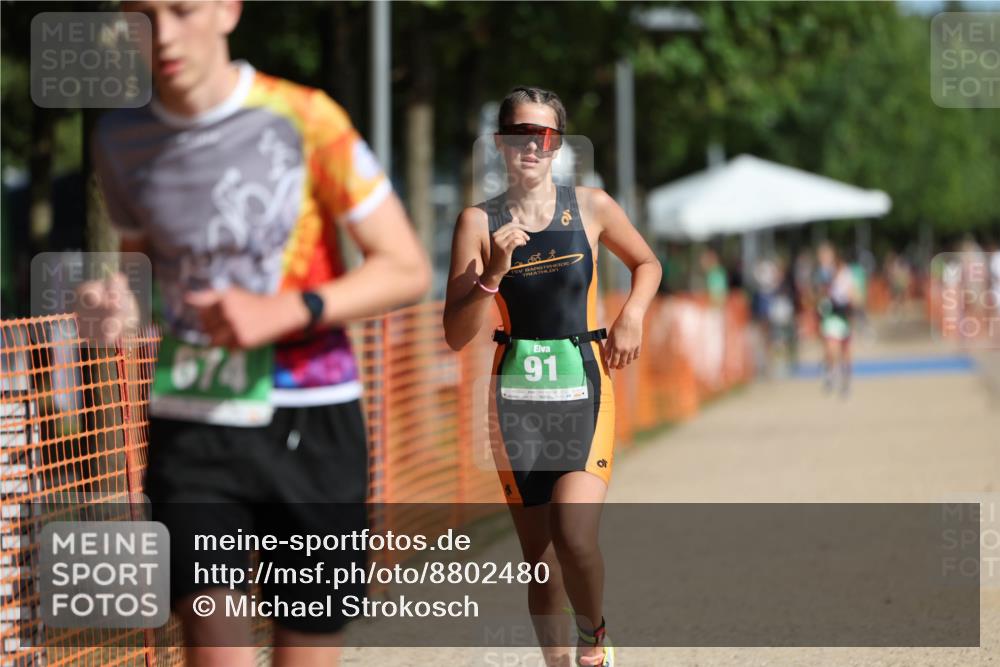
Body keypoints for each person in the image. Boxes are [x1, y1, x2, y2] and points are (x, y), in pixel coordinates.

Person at [84, 2, 431, 666]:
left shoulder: (306, 118)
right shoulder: (120, 137)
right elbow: (139, 268)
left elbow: (406, 266)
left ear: (225, 9)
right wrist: (117, 307)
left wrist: (288, 310)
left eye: (182, 9)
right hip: (193, 423)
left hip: (312, 422)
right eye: (142, 14)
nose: (163, 35)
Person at [443, 86, 661, 667]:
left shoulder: (590, 207)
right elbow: (456, 333)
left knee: (575, 537)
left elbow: (647, 262)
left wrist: (632, 315)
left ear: (558, 143)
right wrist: (491, 273)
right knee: (539, 558)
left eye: (544, 136)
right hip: (513, 400)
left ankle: (596, 639)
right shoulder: (477, 221)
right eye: (519, 133)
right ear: (499, 143)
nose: (532, 146)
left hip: (582, 387)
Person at [814, 242, 857, 397]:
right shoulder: (822, 274)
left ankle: (846, 382)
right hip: (830, 315)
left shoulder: (846, 273)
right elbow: (818, 293)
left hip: (844, 314)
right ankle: (831, 372)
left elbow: (853, 295)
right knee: (831, 348)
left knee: (846, 352)